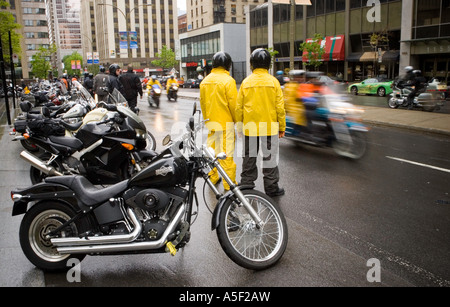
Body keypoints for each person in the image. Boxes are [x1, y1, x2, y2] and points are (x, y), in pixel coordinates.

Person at [235, 48, 286, 197]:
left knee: (249, 159)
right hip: (269, 128)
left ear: (252, 64)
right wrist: (281, 126)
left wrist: (239, 127)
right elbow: (280, 108)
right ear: (268, 64)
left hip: (250, 128)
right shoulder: (274, 82)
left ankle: (246, 185)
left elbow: (239, 108)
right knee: (269, 159)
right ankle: (271, 188)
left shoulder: (246, 82)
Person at [199, 51, 238, 191]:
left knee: (212, 154)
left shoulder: (204, 82)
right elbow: (234, 106)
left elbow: (203, 105)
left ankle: (213, 176)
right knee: (226, 156)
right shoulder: (228, 81)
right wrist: (238, 122)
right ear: (228, 65)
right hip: (225, 124)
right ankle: (230, 185)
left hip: (211, 124)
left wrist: (207, 120)